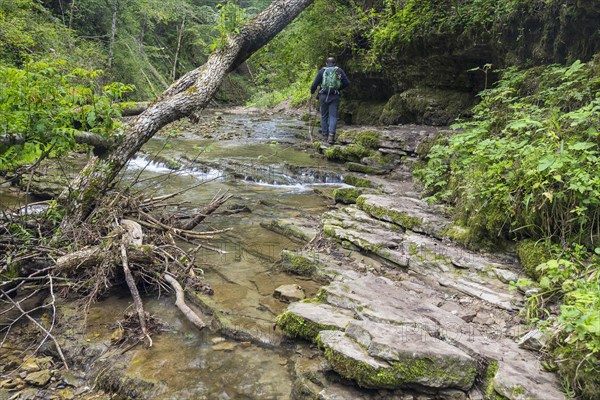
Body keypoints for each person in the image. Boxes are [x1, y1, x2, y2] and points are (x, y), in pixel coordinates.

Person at [310, 57, 349, 144]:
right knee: (333, 116)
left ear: (326, 63)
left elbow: (314, 84)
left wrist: (312, 91)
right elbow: (346, 82)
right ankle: (331, 137)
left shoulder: (322, 71)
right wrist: (338, 89)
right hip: (335, 96)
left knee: (324, 116)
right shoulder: (338, 71)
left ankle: (324, 137)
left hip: (323, 96)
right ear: (334, 63)